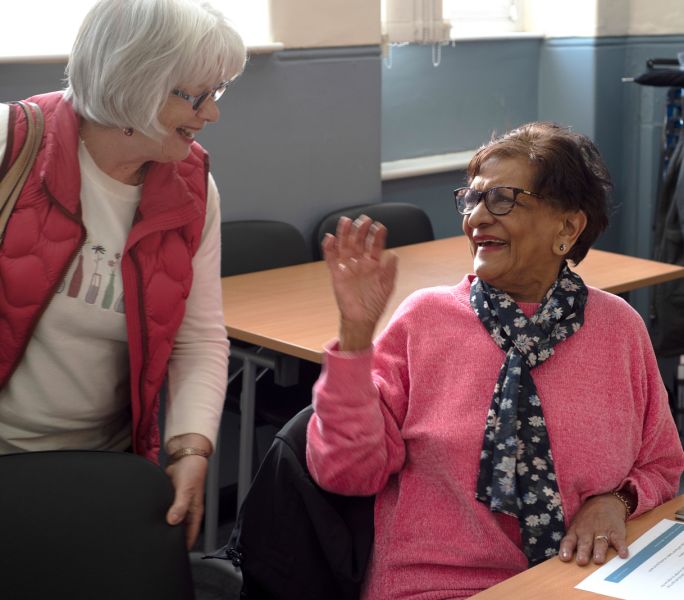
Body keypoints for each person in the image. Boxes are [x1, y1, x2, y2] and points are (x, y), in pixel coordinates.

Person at [306, 122, 684, 598]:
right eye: (473, 198)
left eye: (503, 199)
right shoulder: (425, 320)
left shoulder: (619, 329)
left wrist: (617, 500)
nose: (477, 218)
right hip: (437, 587)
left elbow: (661, 464)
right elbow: (347, 473)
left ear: (567, 226)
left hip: (583, 578)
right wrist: (357, 340)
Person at [0, 0, 245, 548]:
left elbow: (198, 337)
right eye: (197, 95)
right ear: (135, 78)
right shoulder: (10, 144)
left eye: (218, 92)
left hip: (101, 467)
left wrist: (190, 447)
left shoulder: (192, 188)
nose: (211, 114)